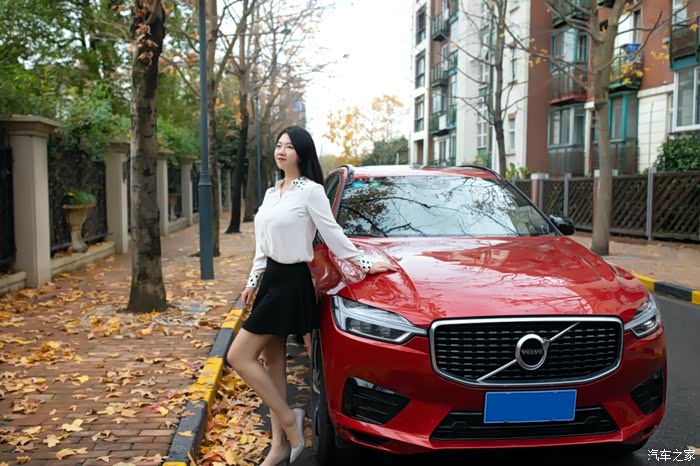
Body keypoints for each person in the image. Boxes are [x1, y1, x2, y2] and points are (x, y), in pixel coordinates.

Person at [226, 126, 398, 466]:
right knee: (273, 363)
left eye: (289, 147)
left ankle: (291, 421)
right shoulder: (271, 193)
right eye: (278, 145)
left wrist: (364, 263)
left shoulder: (311, 191)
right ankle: (279, 446)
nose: (281, 151)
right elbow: (262, 245)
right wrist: (252, 280)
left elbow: (332, 233)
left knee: (238, 356)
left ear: (302, 153)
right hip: (270, 280)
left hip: (292, 282)